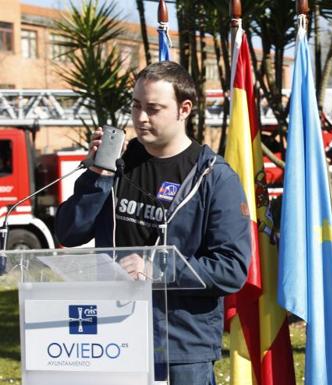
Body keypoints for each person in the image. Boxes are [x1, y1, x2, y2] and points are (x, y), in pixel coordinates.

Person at [55, 61, 251, 385]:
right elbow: (70, 232)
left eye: (153, 108)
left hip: (182, 345)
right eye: (135, 106)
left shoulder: (214, 177)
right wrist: (97, 176)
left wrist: (157, 269)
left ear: (184, 109)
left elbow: (231, 268)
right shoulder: (116, 165)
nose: (141, 118)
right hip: (113, 336)